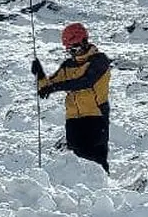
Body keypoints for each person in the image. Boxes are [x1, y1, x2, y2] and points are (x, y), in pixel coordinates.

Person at [31, 22, 112, 173]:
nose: (72, 53)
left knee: (96, 161)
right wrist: (40, 74)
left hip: (95, 116)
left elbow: (85, 82)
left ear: (84, 42)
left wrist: (54, 87)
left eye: (74, 48)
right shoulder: (68, 65)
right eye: (69, 50)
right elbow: (48, 84)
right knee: (76, 162)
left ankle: (103, 185)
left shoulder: (99, 61)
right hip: (73, 119)